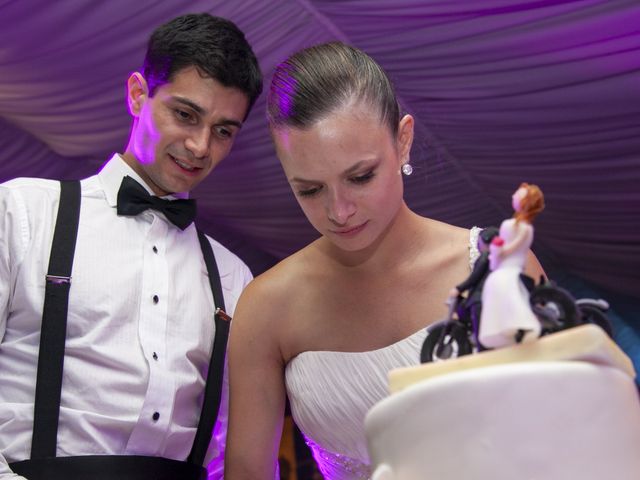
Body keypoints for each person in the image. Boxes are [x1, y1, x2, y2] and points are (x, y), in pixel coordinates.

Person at [224, 42, 544, 479]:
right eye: (310, 189)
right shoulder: (267, 307)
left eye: (360, 177)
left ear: (404, 141)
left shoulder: (495, 269)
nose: (339, 211)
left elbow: (568, 430)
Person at [0, 13, 262, 480]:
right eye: (185, 114)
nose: (201, 146)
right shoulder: (22, 212)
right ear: (138, 94)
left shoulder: (234, 277)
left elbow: (226, 444)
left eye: (224, 131)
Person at [478, 183, 545, 348]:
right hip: (504, 263)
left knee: (500, 283)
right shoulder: (512, 223)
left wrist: (499, 250)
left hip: (512, 264)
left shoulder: (524, 228)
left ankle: (524, 322)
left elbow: (515, 246)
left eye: (518, 195)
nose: (513, 196)